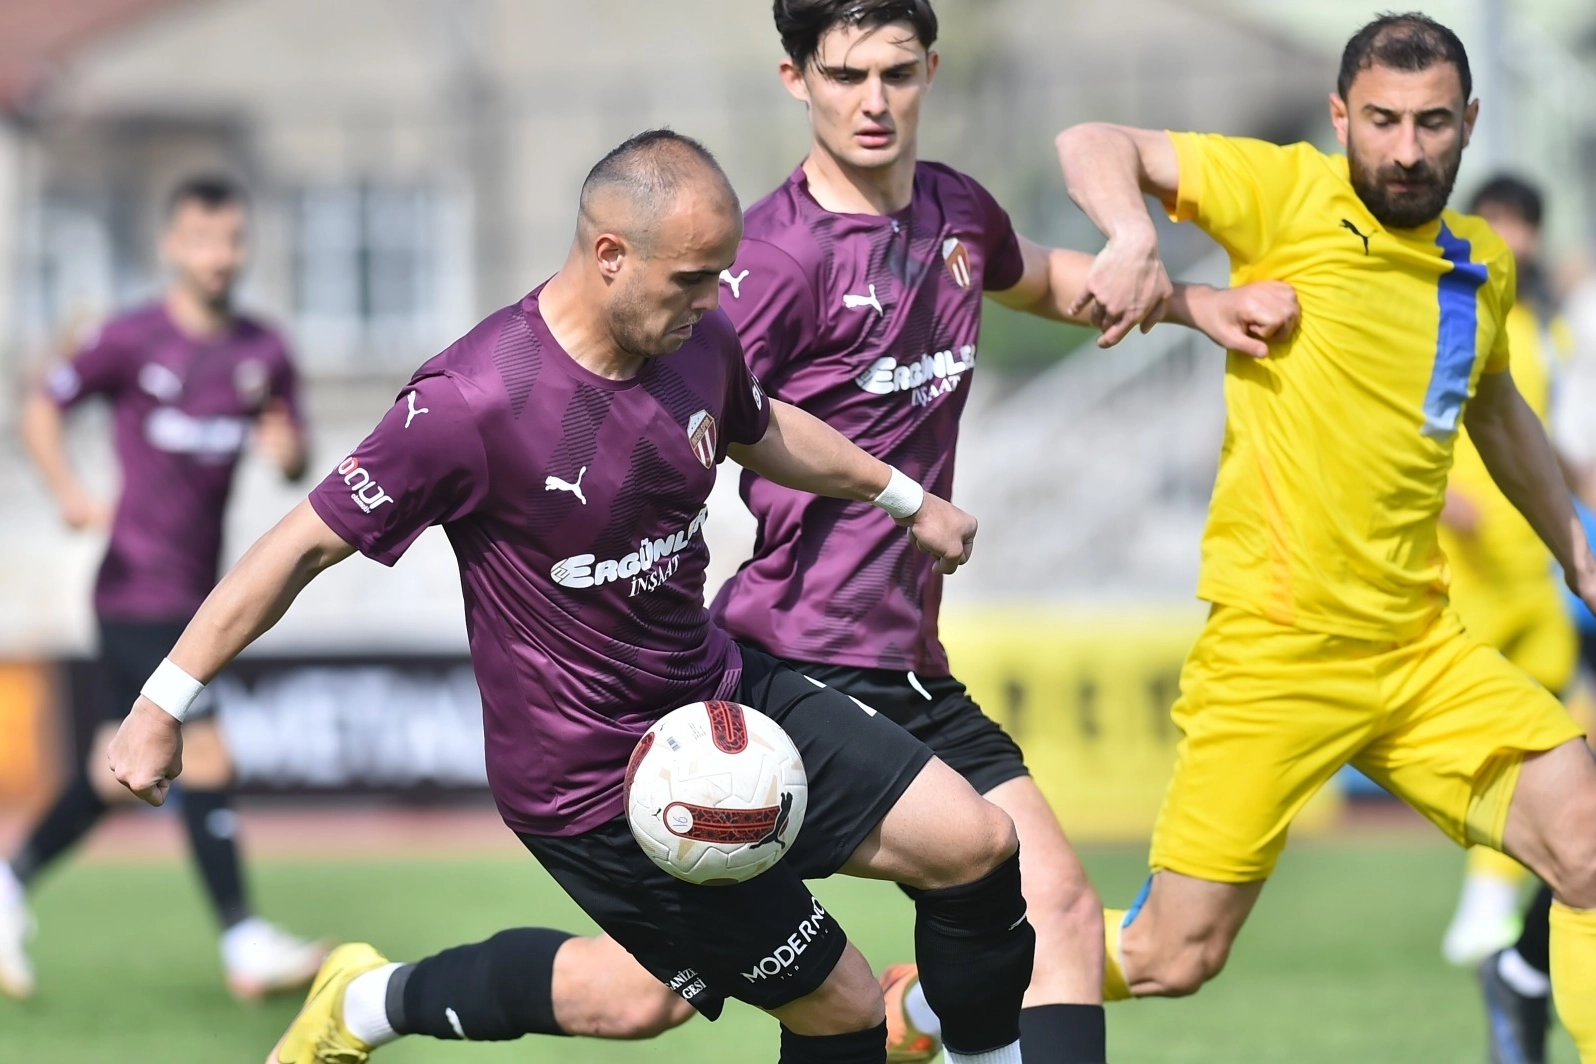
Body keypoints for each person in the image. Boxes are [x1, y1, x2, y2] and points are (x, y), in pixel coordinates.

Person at [268, 4, 1301, 1062]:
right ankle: (378, 999)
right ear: (796, 78)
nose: (874, 100)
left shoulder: (954, 211)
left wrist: (1197, 305)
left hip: (906, 656)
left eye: (897, 72)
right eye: (846, 74)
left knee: (1011, 907)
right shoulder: (755, 264)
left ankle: (377, 998)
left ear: (931, 70)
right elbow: (669, 406)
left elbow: (1046, 278)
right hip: (798, 648)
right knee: (724, 986)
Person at [109, 131, 1041, 1064]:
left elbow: (759, 430)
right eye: (690, 279)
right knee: (840, 1007)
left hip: (719, 698)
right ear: (609, 255)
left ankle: (367, 999)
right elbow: (300, 547)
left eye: (719, 276)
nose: (713, 300)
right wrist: (162, 703)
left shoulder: (699, 337)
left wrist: (903, 497)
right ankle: (371, 1002)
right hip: (594, 778)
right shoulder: (469, 402)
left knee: (975, 844)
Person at [1052, 13, 1596, 1060]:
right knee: (1173, 953)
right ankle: (929, 1007)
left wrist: (1575, 548)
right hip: (1277, 646)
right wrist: (1132, 237)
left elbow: (1497, 412)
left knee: (1587, 844)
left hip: (1419, 649)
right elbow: (1093, 142)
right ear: (1341, 116)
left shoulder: (1479, 264)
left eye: (1433, 123)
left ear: (1470, 122)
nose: (1408, 148)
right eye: (1383, 121)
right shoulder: (1288, 192)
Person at [0, 176, 325, 1002]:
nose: (220, 256)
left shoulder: (263, 351)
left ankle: (8, 882)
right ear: (172, 247)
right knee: (205, 752)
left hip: (198, 593)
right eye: (204, 240)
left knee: (116, 767)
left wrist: (288, 453)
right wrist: (69, 492)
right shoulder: (131, 338)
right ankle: (245, 941)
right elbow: (40, 409)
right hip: (135, 589)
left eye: (232, 240)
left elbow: (294, 455)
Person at [1438, 174, 1578, 975]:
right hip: (1463, 569)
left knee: (1552, 734)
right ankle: (1491, 902)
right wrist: (1440, 497)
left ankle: (1494, 899)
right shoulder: (1444, 314)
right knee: (1486, 746)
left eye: (1521, 224)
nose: (1510, 238)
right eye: (1495, 220)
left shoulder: (1548, 332)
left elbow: (1554, 441)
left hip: (1532, 568)